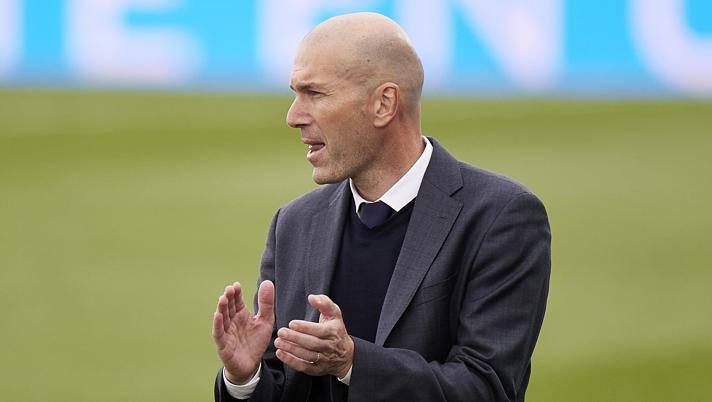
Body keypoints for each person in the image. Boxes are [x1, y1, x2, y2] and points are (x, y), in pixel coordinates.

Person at [212, 12, 550, 402]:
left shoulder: (500, 218)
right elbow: (285, 386)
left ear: (384, 103)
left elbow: (486, 387)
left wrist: (353, 363)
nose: (293, 117)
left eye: (315, 94)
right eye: (295, 93)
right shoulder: (294, 223)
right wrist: (246, 377)